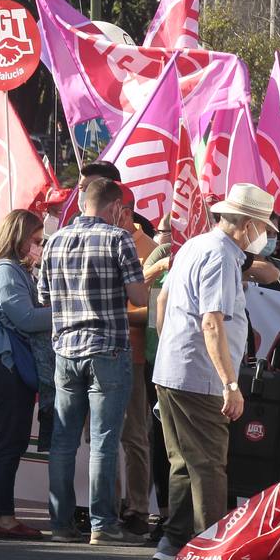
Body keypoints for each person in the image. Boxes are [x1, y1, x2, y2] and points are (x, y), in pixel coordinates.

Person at [151, 183, 275, 560]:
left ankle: (174, 543)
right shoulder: (221, 255)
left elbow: (163, 299)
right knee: (207, 465)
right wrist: (230, 383)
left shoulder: (193, 245)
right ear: (249, 224)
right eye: (264, 229)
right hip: (200, 374)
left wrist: (169, 348)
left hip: (175, 368)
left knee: (185, 463)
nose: (266, 237)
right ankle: (211, 550)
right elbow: (212, 323)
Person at [35, 178, 148, 545]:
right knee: (104, 441)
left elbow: (44, 297)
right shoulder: (119, 239)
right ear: (115, 207)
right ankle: (102, 524)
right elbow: (137, 294)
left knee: (64, 441)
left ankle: (60, 524)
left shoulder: (54, 241)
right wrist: (152, 276)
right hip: (108, 348)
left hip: (65, 350)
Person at [0, 208, 50, 541]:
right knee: (9, 439)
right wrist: (67, 310)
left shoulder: (12, 270)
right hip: (6, 360)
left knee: (11, 438)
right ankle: (2, 516)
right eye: (36, 240)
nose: (40, 246)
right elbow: (26, 319)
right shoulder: (5, 271)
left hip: (8, 358)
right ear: (18, 237)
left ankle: (2, 513)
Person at [119, 213, 160, 537]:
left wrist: (110, 312)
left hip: (135, 355)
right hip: (100, 350)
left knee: (135, 436)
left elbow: (152, 307)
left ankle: (137, 509)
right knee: (99, 439)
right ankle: (102, 507)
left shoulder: (149, 249)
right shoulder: (103, 240)